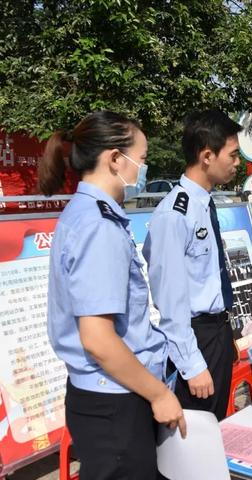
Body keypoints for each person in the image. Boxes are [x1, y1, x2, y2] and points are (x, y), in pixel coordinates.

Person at [38, 111, 185, 480]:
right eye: (143, 158)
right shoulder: (98, 226)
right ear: (115, 159)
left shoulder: (86, 213)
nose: (144, 169)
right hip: (115, 401)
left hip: (108, 396)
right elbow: (99, 340)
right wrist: (159, 394)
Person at [143, 110, 241, 420]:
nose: (238, 163)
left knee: (216, 428)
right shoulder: (175, 214)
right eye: (234, 154)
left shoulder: (204, 205)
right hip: (194, 340)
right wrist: (192, 364)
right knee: (193, 439)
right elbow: (170, 302)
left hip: (218, 333)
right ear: (207, 156)